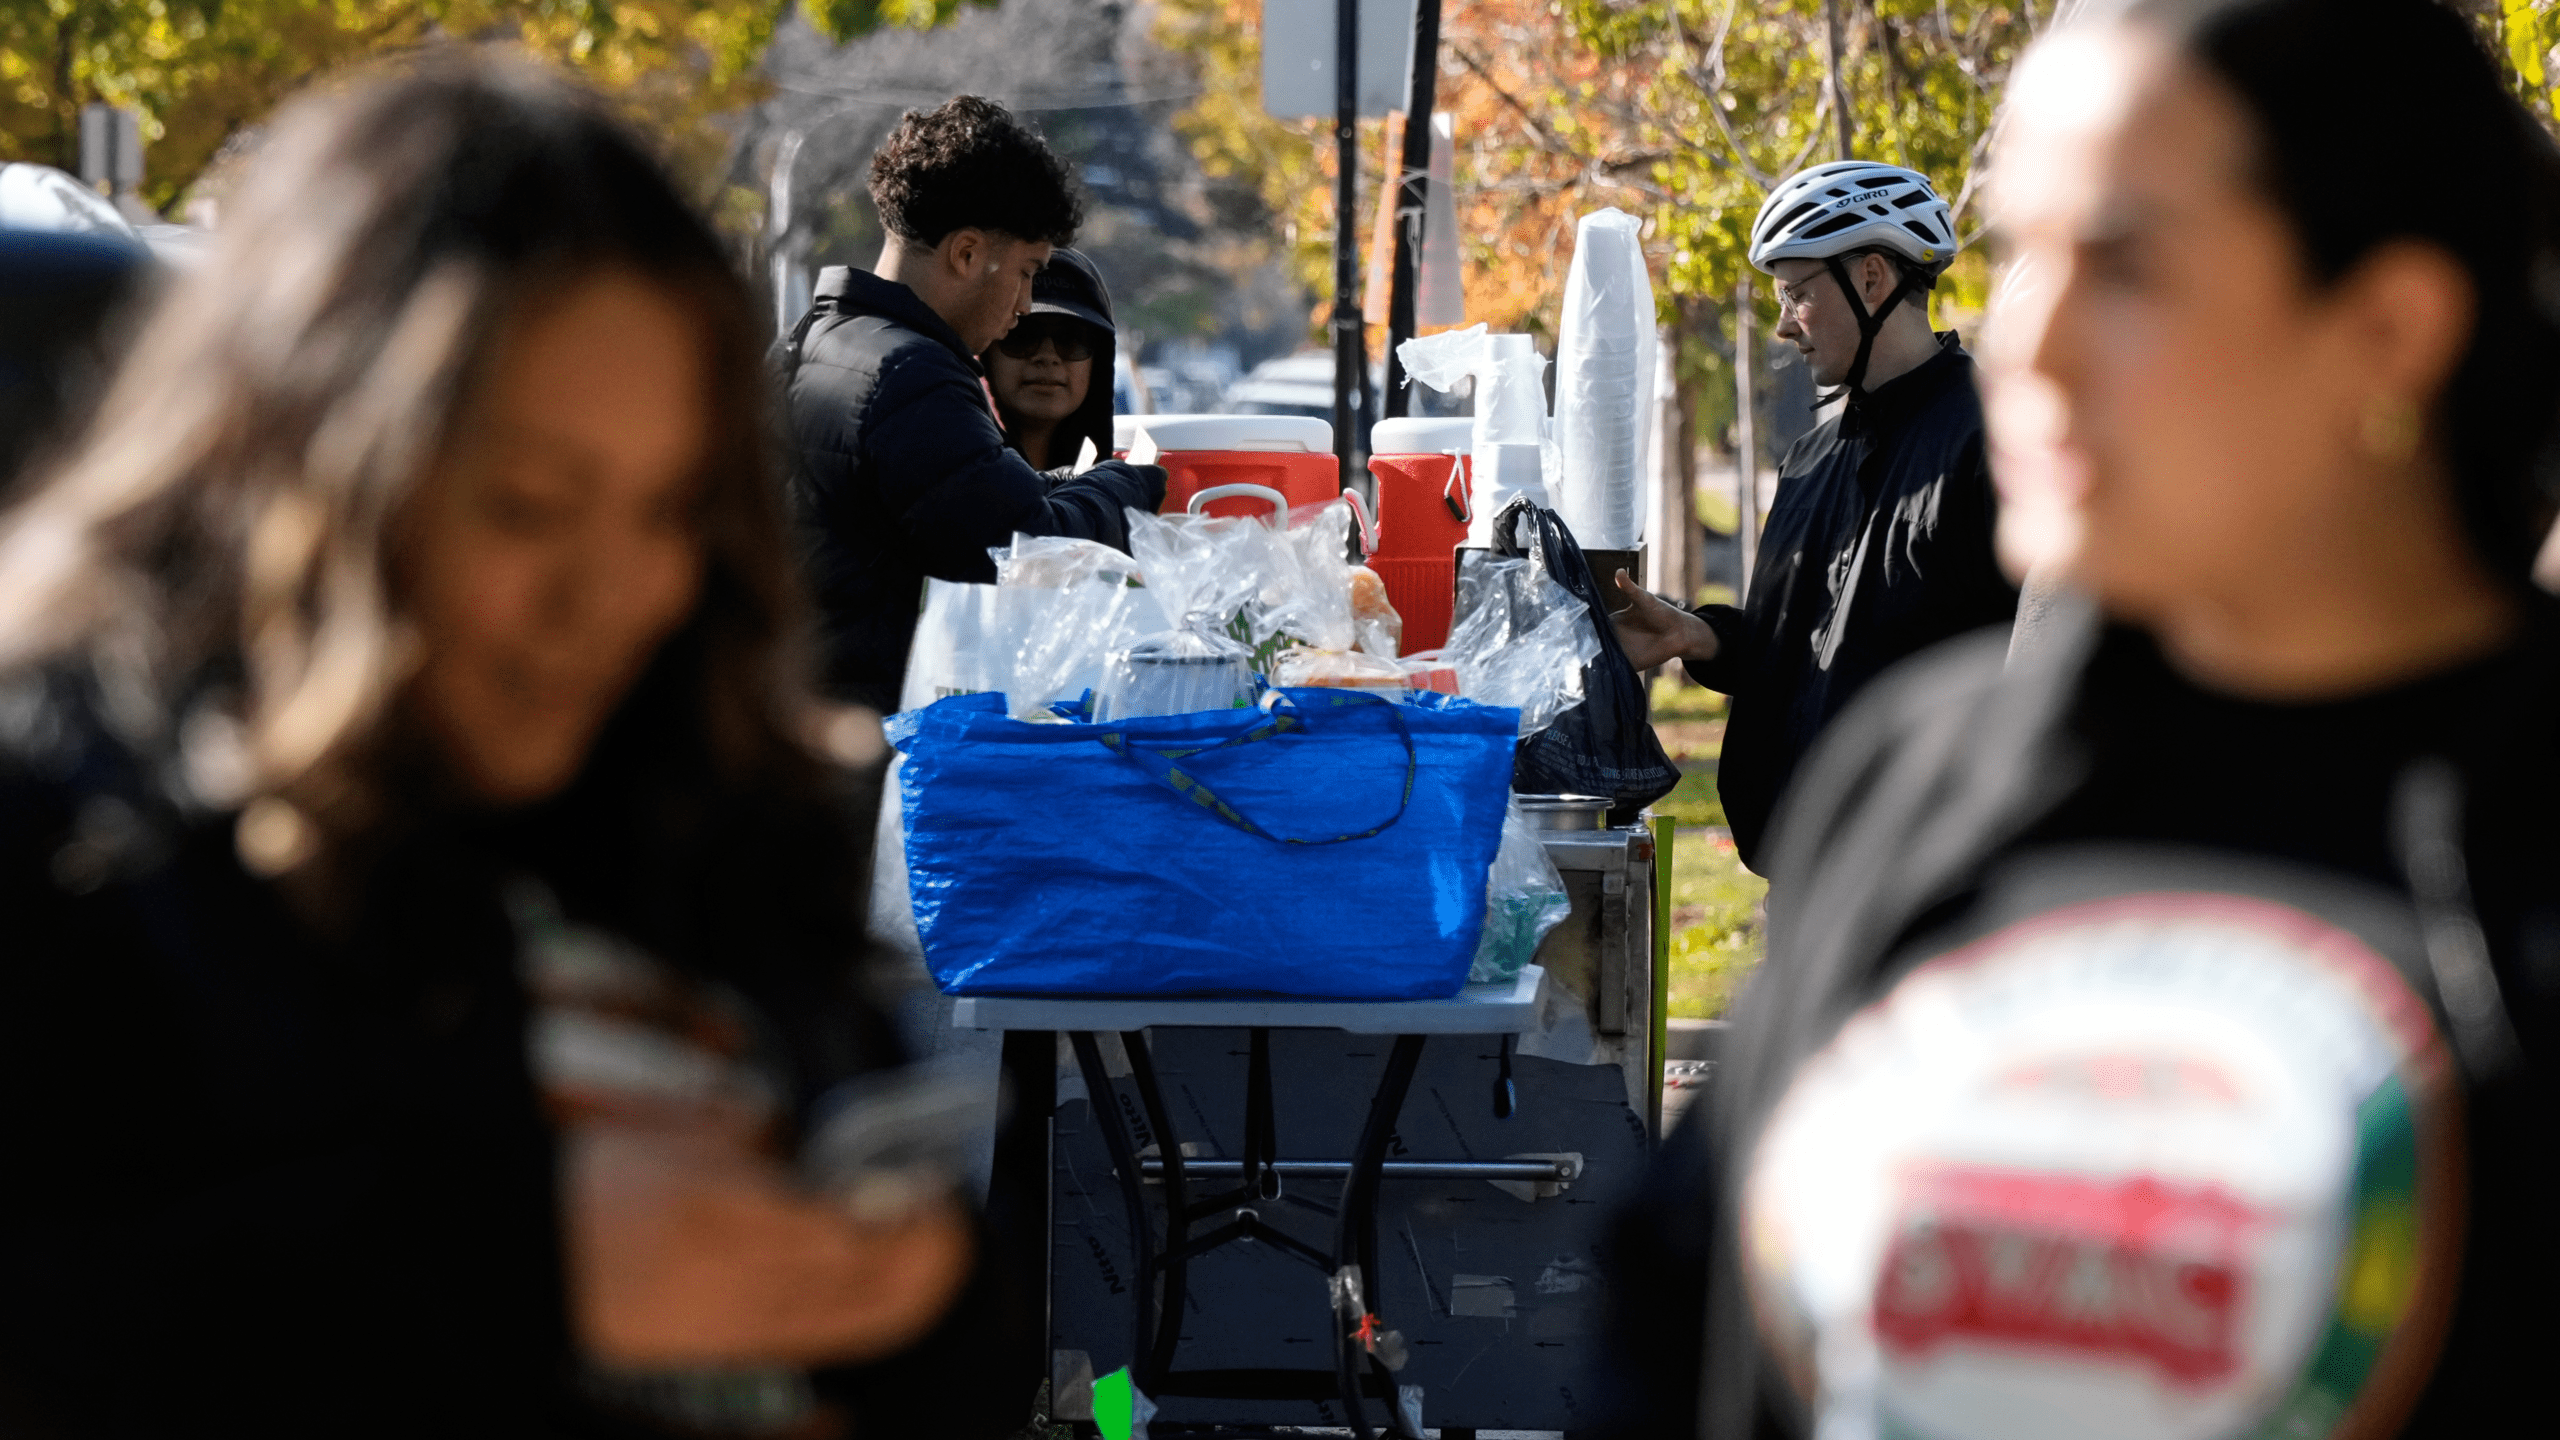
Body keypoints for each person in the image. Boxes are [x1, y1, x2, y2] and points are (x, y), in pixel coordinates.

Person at [0, 61, 1027, 1440]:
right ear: (300, 470)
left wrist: (887, 1291)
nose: (616, 595)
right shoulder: (69, 858)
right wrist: (512, 1270)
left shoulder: (702, 810)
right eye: (530, 508)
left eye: (669, 509)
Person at [1587, 1, 2560, 1436]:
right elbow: (1689, 1336)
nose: (2029, 344)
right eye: (2018, 258)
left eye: (2121, 262)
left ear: (2390, 326)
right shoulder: (1916, 790)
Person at [1610, 162, 2017, 870]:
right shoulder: (1810, 455)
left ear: (1871, 279)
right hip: (1808, 888)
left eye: (1796, 295)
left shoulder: (1996, 443)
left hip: (1931, 891)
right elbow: (1800, 648)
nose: (1781, 327)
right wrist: (1698, 635)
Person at [779, 96, 1164, 712]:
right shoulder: (911, 373)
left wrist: (1059, 484)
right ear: (967, 254)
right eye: (1027, 273)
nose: (1023, 306)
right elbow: (1025, 555)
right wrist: (1124, 487)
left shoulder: (812, 340)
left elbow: (964, 502)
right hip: (868, 746)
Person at [984, 246, 1118, 472]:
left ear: (1098, 363)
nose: (1047, 357)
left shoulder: (1117, 491)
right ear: (985, 351)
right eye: (1022, 334)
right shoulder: (946, 474)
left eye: (1071, 339)